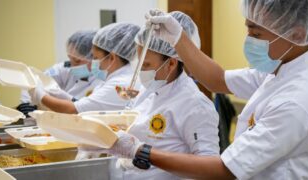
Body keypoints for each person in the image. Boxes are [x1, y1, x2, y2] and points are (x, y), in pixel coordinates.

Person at [81, 0, 308, 179]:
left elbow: (224, 169)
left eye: (257, 33)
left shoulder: (298, 100)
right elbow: (217, 79)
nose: (248, 40)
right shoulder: (278, 71)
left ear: (297, 34)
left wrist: (140, 151)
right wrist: (178, 38)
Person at [78, 11, 220, 180]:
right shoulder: (149, 91)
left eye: (146, 65)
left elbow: (208, 169)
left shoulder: (195, 105)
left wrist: (141, 151)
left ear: (171, 63)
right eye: (139, 63)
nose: (141, 71)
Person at [29, 23, 140, 113]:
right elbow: (87, 104)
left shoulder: (120, 85)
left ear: (111, 57)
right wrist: (67, 97)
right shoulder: (113, 79)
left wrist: (40, 96)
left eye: (96, 58)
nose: (95, 63)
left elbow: (73, 109)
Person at [17, 30, 100, 115]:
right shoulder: (65, 67)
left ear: (94, 58)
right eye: (70, 58)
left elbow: (86, 108)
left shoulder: (105, 78)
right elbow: (35, 79)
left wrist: (68, 99)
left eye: (77, 61)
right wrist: (26, 103)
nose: (72, 65)